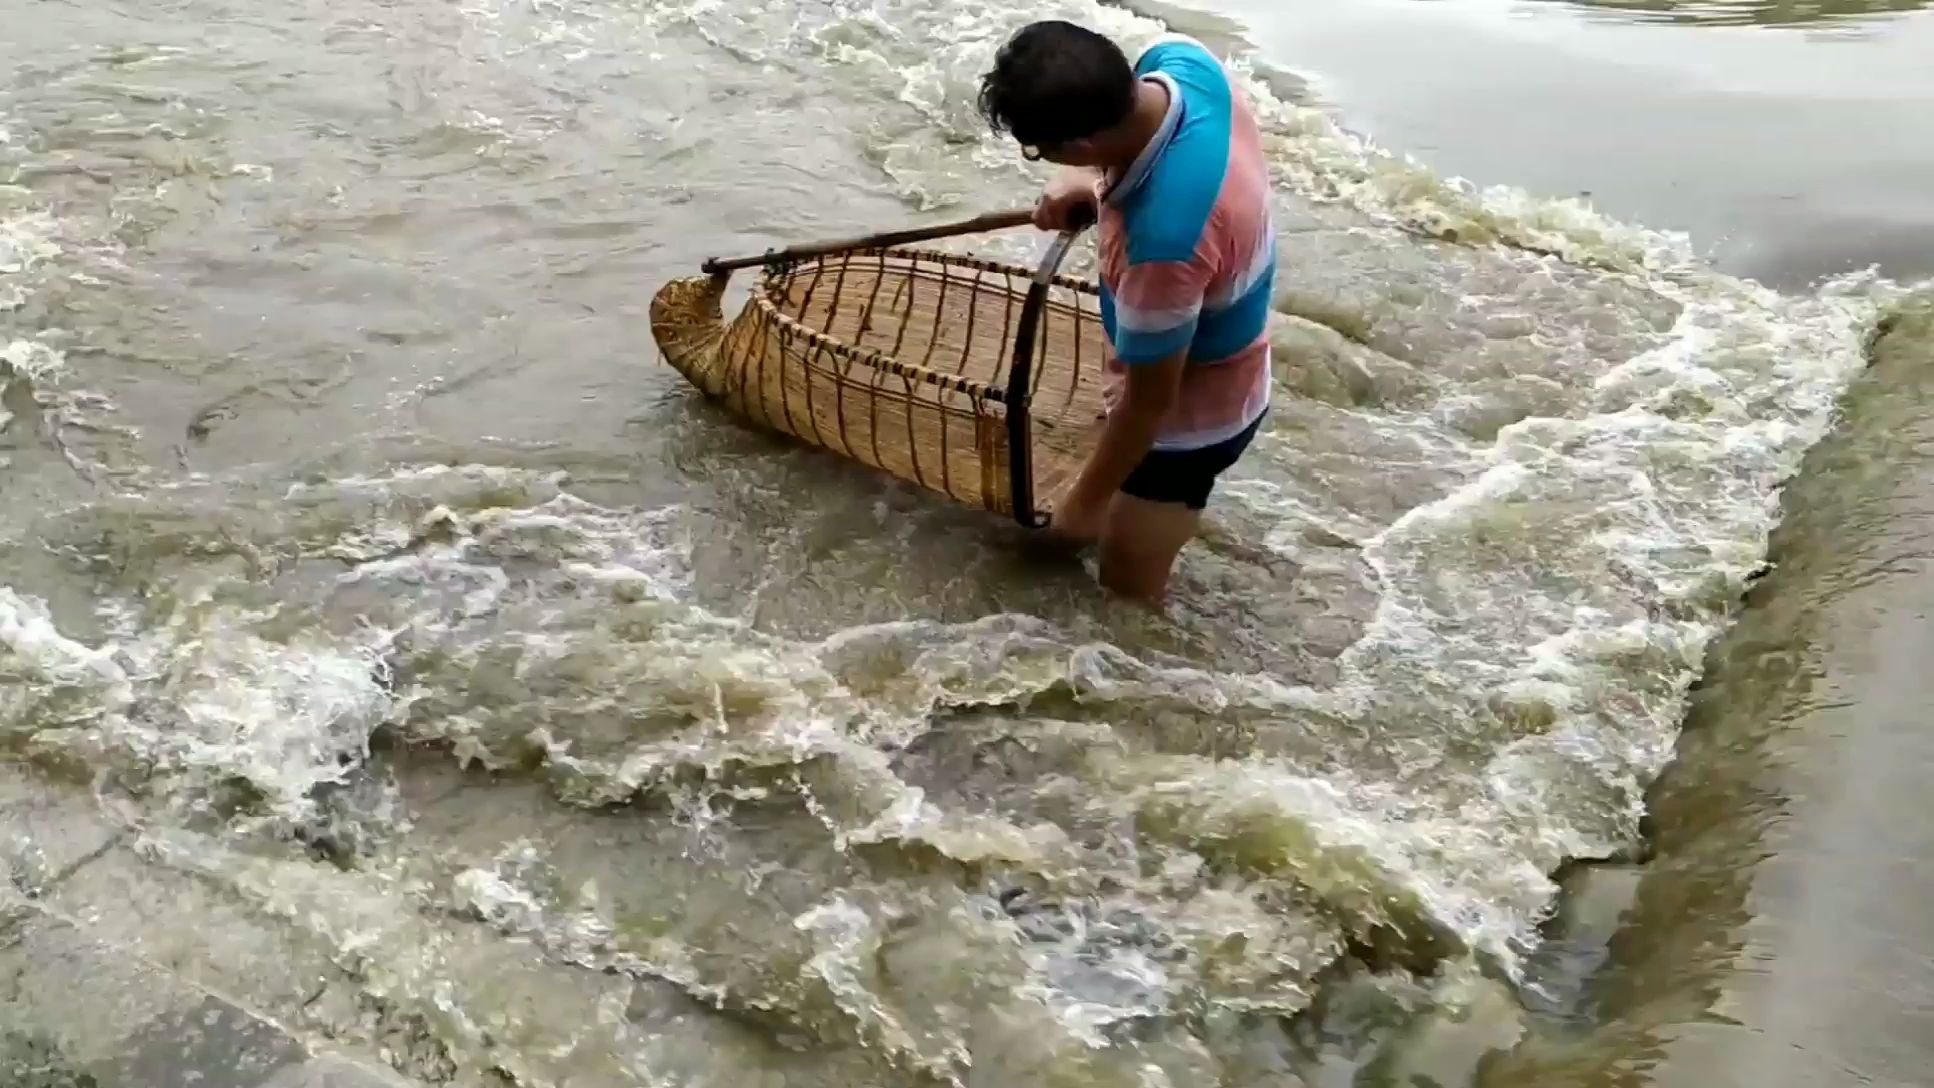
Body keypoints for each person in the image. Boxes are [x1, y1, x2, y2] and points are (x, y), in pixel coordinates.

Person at [977, 20, 1276, 605]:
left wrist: (1080, 508)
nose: (1042, 159)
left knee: (1125, 601)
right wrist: (1085, 179)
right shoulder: (1183, 62)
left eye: (1041, 150)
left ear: (1082, 143)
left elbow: (1149, 405)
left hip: (1191, 425)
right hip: (1238, 342)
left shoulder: (1162, 245)